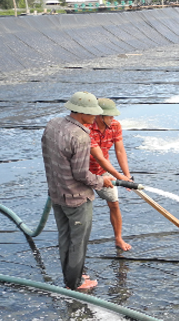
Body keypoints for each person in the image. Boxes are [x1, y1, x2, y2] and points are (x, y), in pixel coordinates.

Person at [41, 92, 113, 291]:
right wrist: (102, 180)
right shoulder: (81, 136)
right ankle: (76, 283)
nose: (95, 117)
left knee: (64, 237)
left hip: (56, 193)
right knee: (78, 241)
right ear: (81, 113)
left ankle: (71, 275)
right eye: (92, 114)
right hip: (77, 198)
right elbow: (82, 175)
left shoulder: (53, 124)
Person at [88, 98, 133, 251]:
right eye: (110, 116)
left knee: (114, 203)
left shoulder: (115, 126)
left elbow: (119, 151)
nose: (113, 119)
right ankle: (78, 247)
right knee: (82, 208)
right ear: (99, 116)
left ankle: (118, 239)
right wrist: (119, 177)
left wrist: (127, 176)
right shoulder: (86, 128)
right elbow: (98, 157)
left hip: (103, 170)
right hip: (83, 172)